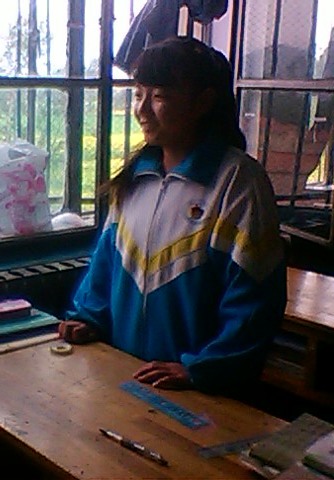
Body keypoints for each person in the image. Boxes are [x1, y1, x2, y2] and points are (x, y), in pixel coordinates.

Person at [59, 36, 287, 395]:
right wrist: (90, 318)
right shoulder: (135, 178)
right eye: (138, 94)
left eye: (159, 96)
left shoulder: (238, 182)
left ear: (203, 102)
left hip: (199, 391)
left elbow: (254, 301)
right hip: (125, 375)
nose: (142, 109)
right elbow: (105, 266)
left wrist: (200, 368)